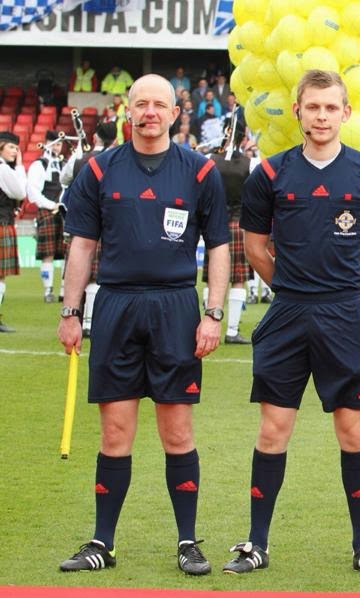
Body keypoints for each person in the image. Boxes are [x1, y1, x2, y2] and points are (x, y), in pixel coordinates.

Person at [223, 70, 360, 577]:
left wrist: (347, 289)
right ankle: (256, 543)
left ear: (345, 114)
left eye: (330, 108)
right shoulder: (270, 174)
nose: (321, 116)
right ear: (297, 111)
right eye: (312, 107)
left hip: (343, 314)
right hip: (288, 314)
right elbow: (255, 247)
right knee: (274, 428)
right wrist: (292, 287)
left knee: (351, 428)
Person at [56, 74, 230, 575]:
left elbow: (218, 246)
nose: (150, 112)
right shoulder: (97, 169)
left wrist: (213, 312)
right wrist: (70, 313)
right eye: (141, 104)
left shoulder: (201, 172)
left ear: (177, 112)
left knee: (177, 430)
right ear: (126, 112)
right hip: (115, 306)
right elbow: (83, 246)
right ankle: (101, 543)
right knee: (114, 432)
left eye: (160, 104)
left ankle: (188, 542)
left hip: (176, 308)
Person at [60, 121, 118, 338]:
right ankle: (89, 323)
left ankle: (77, 315)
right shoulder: (116, 161)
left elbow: (65, 179)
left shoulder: (79, 158)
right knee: (94, 277)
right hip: (106, 222)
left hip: (82, 222)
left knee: (81, 272)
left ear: (95, 137)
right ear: (115, 140)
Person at [202, 123, 257, 344]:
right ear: (244, 139)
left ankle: (206, 321)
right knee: (237, 280)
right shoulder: (251, 162)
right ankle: (232, 331)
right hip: (238, 223)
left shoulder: (209, 160)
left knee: (210, 279)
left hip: (215, 223)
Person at [26, 130, 67, 303]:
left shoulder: (65, 163)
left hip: (64, 210)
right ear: (47, 143)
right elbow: (32, 192)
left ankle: (65, 290)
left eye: (59, 144)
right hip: (47, 210)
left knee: (69, 253)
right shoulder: (39, 164)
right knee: (47, 253)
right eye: (54, 144)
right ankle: (48, 290)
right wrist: (51, 205)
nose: (57, 148)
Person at [0, 132, 26, 333]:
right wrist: (19, 165)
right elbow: (20, 192)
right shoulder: (2, 168)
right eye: (11, 147)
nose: (16, 151)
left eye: (17, 148)